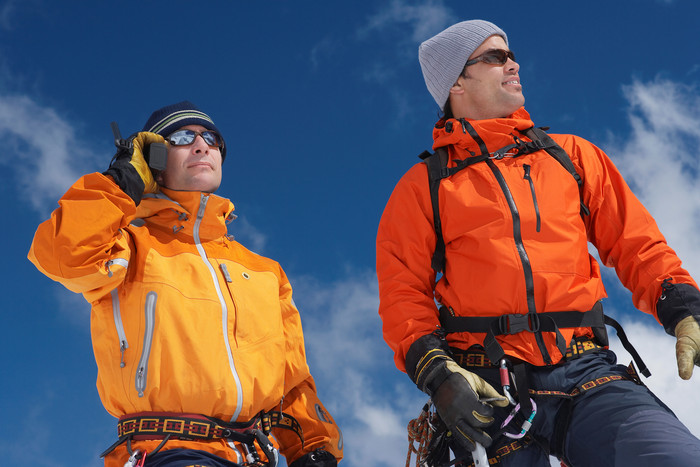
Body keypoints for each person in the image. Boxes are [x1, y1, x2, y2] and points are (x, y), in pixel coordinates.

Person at [376, 20, 700, 466]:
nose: (513, 64)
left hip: (586, 371)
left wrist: (683, 308)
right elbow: (402, 293)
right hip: (486, 389)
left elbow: (636, 243)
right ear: (456, 83)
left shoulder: (570, 156)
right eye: (494, 57)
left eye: (509, 54)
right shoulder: (423, 187)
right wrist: (437, 373)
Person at [28, 101, 343, 467]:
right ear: (154, 160)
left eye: (211, 137)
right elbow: (62, 255)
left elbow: (291, 377)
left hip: (254, 455)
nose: (201, 145)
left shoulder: (264, 271)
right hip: (165, 451)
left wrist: (313, 447)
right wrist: (122, 180)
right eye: (181, 137)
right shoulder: (129, 247)